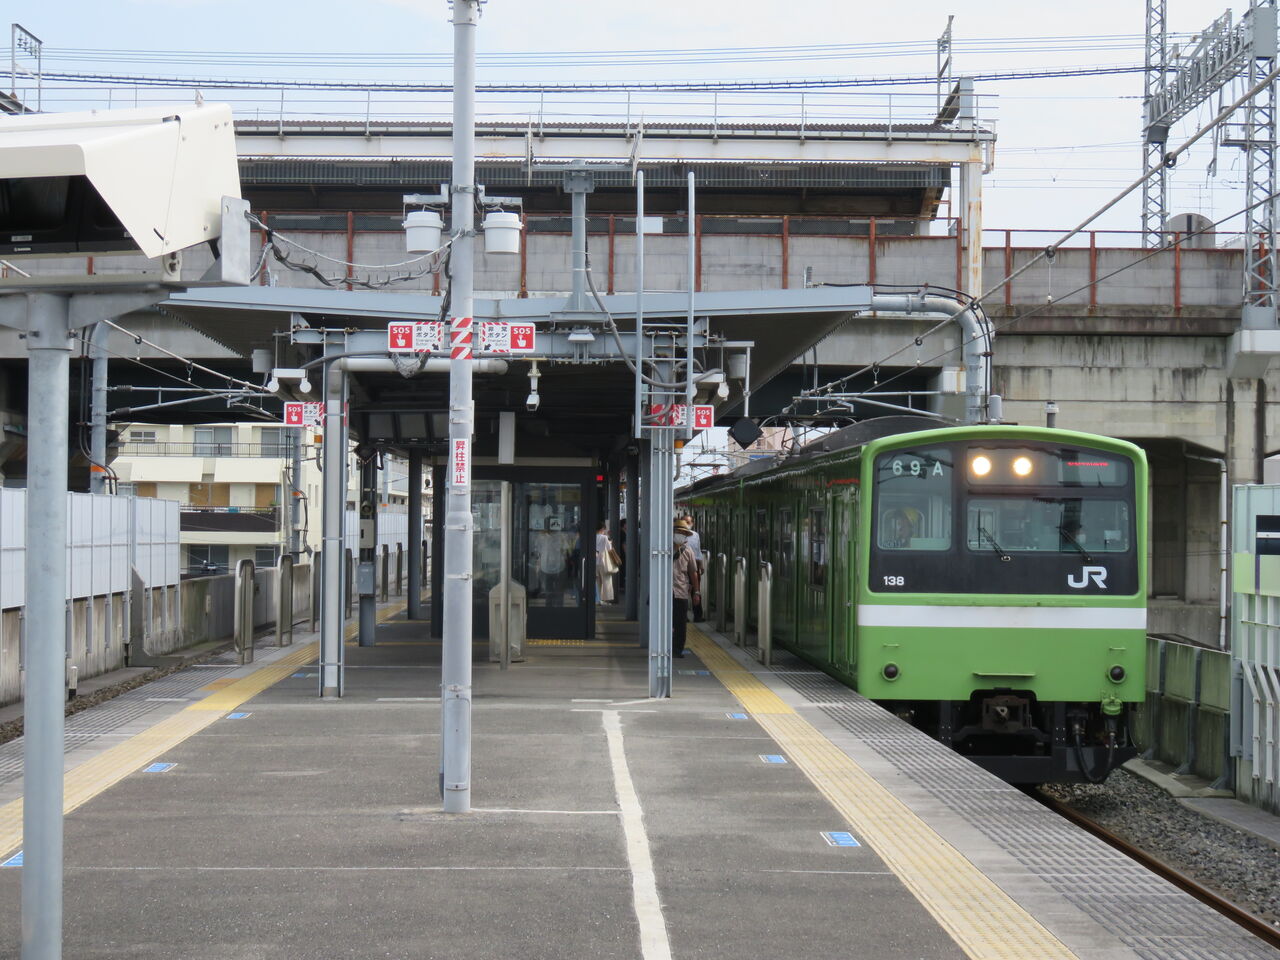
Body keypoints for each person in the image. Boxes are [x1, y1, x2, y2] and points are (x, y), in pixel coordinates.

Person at [672, 517, 700, 658]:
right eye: (678, 532)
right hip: (664, 592)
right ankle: (664, 647)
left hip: (681, 591)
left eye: (683, 533)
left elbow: (693, 573)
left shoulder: (688, 551)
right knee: (664, 622)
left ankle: (677, 650)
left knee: (681, 623)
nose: (680, 535)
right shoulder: (663, 548)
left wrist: (697, 592)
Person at [682, 513, 705, 620]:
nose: (687, 524)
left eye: (689, 522)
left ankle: (698, 616)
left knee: (696, 590)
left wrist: (701, 565)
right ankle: (684, 616)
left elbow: (698, 551)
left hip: (694, 565)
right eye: (685, 522)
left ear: (693, 523)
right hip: (682, 566)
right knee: (683, 591)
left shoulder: (695, 535)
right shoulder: (677, 534)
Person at [595, 520, 616, 604]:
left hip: (595, 562)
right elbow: (609, 549)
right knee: (606, 581)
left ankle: (598, 599)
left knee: (597, 582)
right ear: (602, 529)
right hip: (604, 562)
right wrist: (610, 542)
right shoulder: (604, 537)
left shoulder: (592, 536)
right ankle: (606, 600)